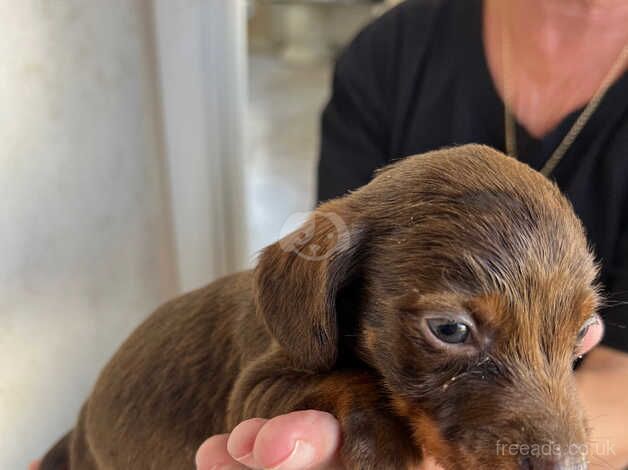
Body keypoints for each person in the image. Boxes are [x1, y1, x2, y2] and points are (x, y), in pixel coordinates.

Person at [33, 1, 628, 469]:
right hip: (119, 446)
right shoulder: (392, 53)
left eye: (573, 331)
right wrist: (361, 411)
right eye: (451, 330)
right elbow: (273, 380)